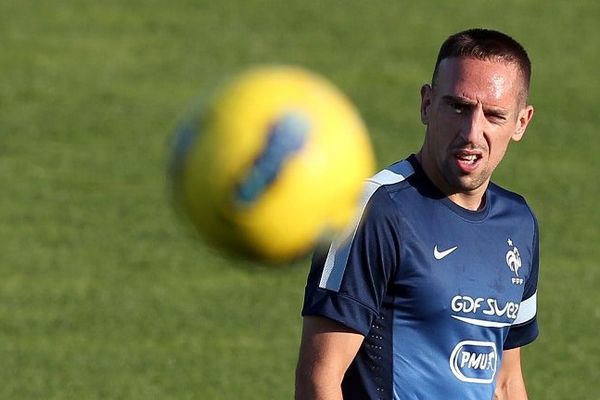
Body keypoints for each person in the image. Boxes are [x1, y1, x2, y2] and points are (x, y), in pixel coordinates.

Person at [295, 28, 539, 400]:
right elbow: (319, 378)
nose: (472, 132)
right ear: (427, 104)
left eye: (493, 115)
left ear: (521, 122)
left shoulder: (518, 224)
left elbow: (505, 381)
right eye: (458, 106)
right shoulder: (372, 211)